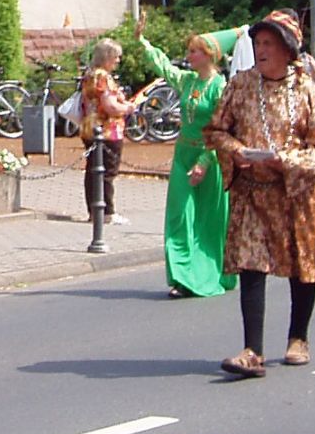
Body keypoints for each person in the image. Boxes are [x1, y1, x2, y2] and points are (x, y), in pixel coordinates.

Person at [203, 10, 315, 376]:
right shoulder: (241, 85)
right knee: (250, 263)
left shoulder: (306, 90)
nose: (261, 51)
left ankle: (299, 337)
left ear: (288, 51)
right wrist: (235, 152)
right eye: (258, 44)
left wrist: (289, 162)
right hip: (252, 191)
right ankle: (252, 349)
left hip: (295, 193)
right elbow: (215, 130)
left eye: (268, 44)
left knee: (302, 264)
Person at [137, 21, 246, 297]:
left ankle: (206, 273)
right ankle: (181, 275)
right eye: (189, 51)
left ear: (209, 55)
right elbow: (164, 68)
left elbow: (223, 129)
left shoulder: (221, 87)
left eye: (195, 51)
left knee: (207, 219)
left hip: (208, 156)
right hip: (182, 154)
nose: (189, 56)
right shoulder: (188, 81)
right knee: (179, 215)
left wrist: (204, 162)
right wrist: (143, 42)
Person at [79, 38, 135, 223]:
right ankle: (107, 213)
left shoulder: (89, 74)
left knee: (93, 171)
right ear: (107, 57)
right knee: (107, 172)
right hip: (107, 130)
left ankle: (94, 211)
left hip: (89, 127)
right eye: (116, 57)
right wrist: (127, 108)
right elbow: (110, 106)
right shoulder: (103, 77)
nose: (118, 61)